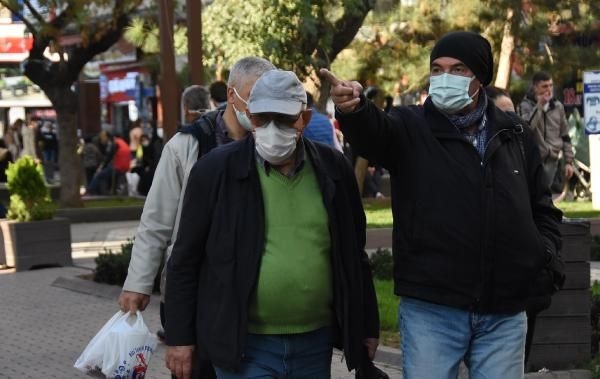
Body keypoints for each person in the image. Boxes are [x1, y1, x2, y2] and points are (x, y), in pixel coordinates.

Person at [321, 30, 563, 378]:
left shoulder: (515, 133)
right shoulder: (409, 126)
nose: (444, 77)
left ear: (480, 77)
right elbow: (374, 134)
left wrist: (546, 258)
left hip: (504, 310)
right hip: (432, 309)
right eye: (437, 68)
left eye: (458, 69)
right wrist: (353, 109)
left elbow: (542, 208)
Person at [164, 69, 379, 379]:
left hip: (313, 345)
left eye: (284, 119)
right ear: (249, 116)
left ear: (303, 119)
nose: (273, 129)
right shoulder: (215, 171)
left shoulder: (333, 169)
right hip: (243, 345)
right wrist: (180, 338)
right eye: (263, 119)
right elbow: (185, 260)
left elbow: (353, 256)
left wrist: (365, 327)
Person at [117, 57, 276, 379]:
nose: (262, 108)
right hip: (198, 290)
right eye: (254, 97)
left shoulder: (274, 143)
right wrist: (138, 283)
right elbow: (157, 220)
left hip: (257, 293)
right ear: (232, 95)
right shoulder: (188, 143)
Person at [518, 71, 575, 190]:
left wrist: (569, 162)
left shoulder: (558, 106)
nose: (549, 89)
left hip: (552, 160)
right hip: (533, 159)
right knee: (532, 195)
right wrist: (539, 106)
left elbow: (565, 135)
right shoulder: (525, 105)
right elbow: (526, 128)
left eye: (551, 85)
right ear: (535, 87)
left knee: (545, 196)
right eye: (544, 86)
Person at [86, 131, 131, 195]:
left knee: (99, 175)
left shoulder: (115, 143)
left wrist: (101, 167)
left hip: (118, 167)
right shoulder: (122, 142)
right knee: (105, 174)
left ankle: (90, 190)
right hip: (125, 166)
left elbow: (109, 156)